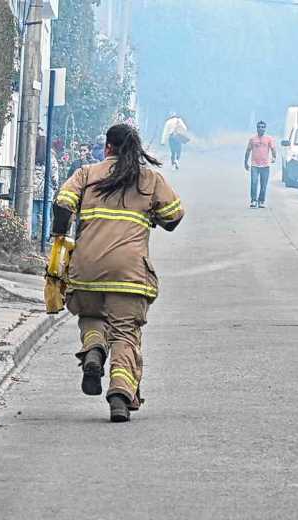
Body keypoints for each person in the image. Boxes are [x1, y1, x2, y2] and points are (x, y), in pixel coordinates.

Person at [52, 123, 185, 422]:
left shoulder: (86, 174)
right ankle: (120, 396)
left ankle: (94, 349)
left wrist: (58, 236)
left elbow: (62, 204)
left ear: (107, 147)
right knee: (125, 334)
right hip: (129, 274)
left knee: (90, 315)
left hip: (86, 268)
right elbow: (174, 216)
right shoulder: (149, 178)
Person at [244, 120, 276, 208]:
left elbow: (273, 149)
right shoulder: (252, 139)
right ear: (257, 128)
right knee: (254, 182)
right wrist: (245, 162)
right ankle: (254, 200)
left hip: (265, 165)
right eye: (259, 127)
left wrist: (274, 157)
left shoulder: (269, 139)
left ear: (265, 129)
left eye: (262, 127)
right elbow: (248, 151)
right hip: (255, 165)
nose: (261, 129)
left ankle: (261, 201)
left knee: (263, 184)